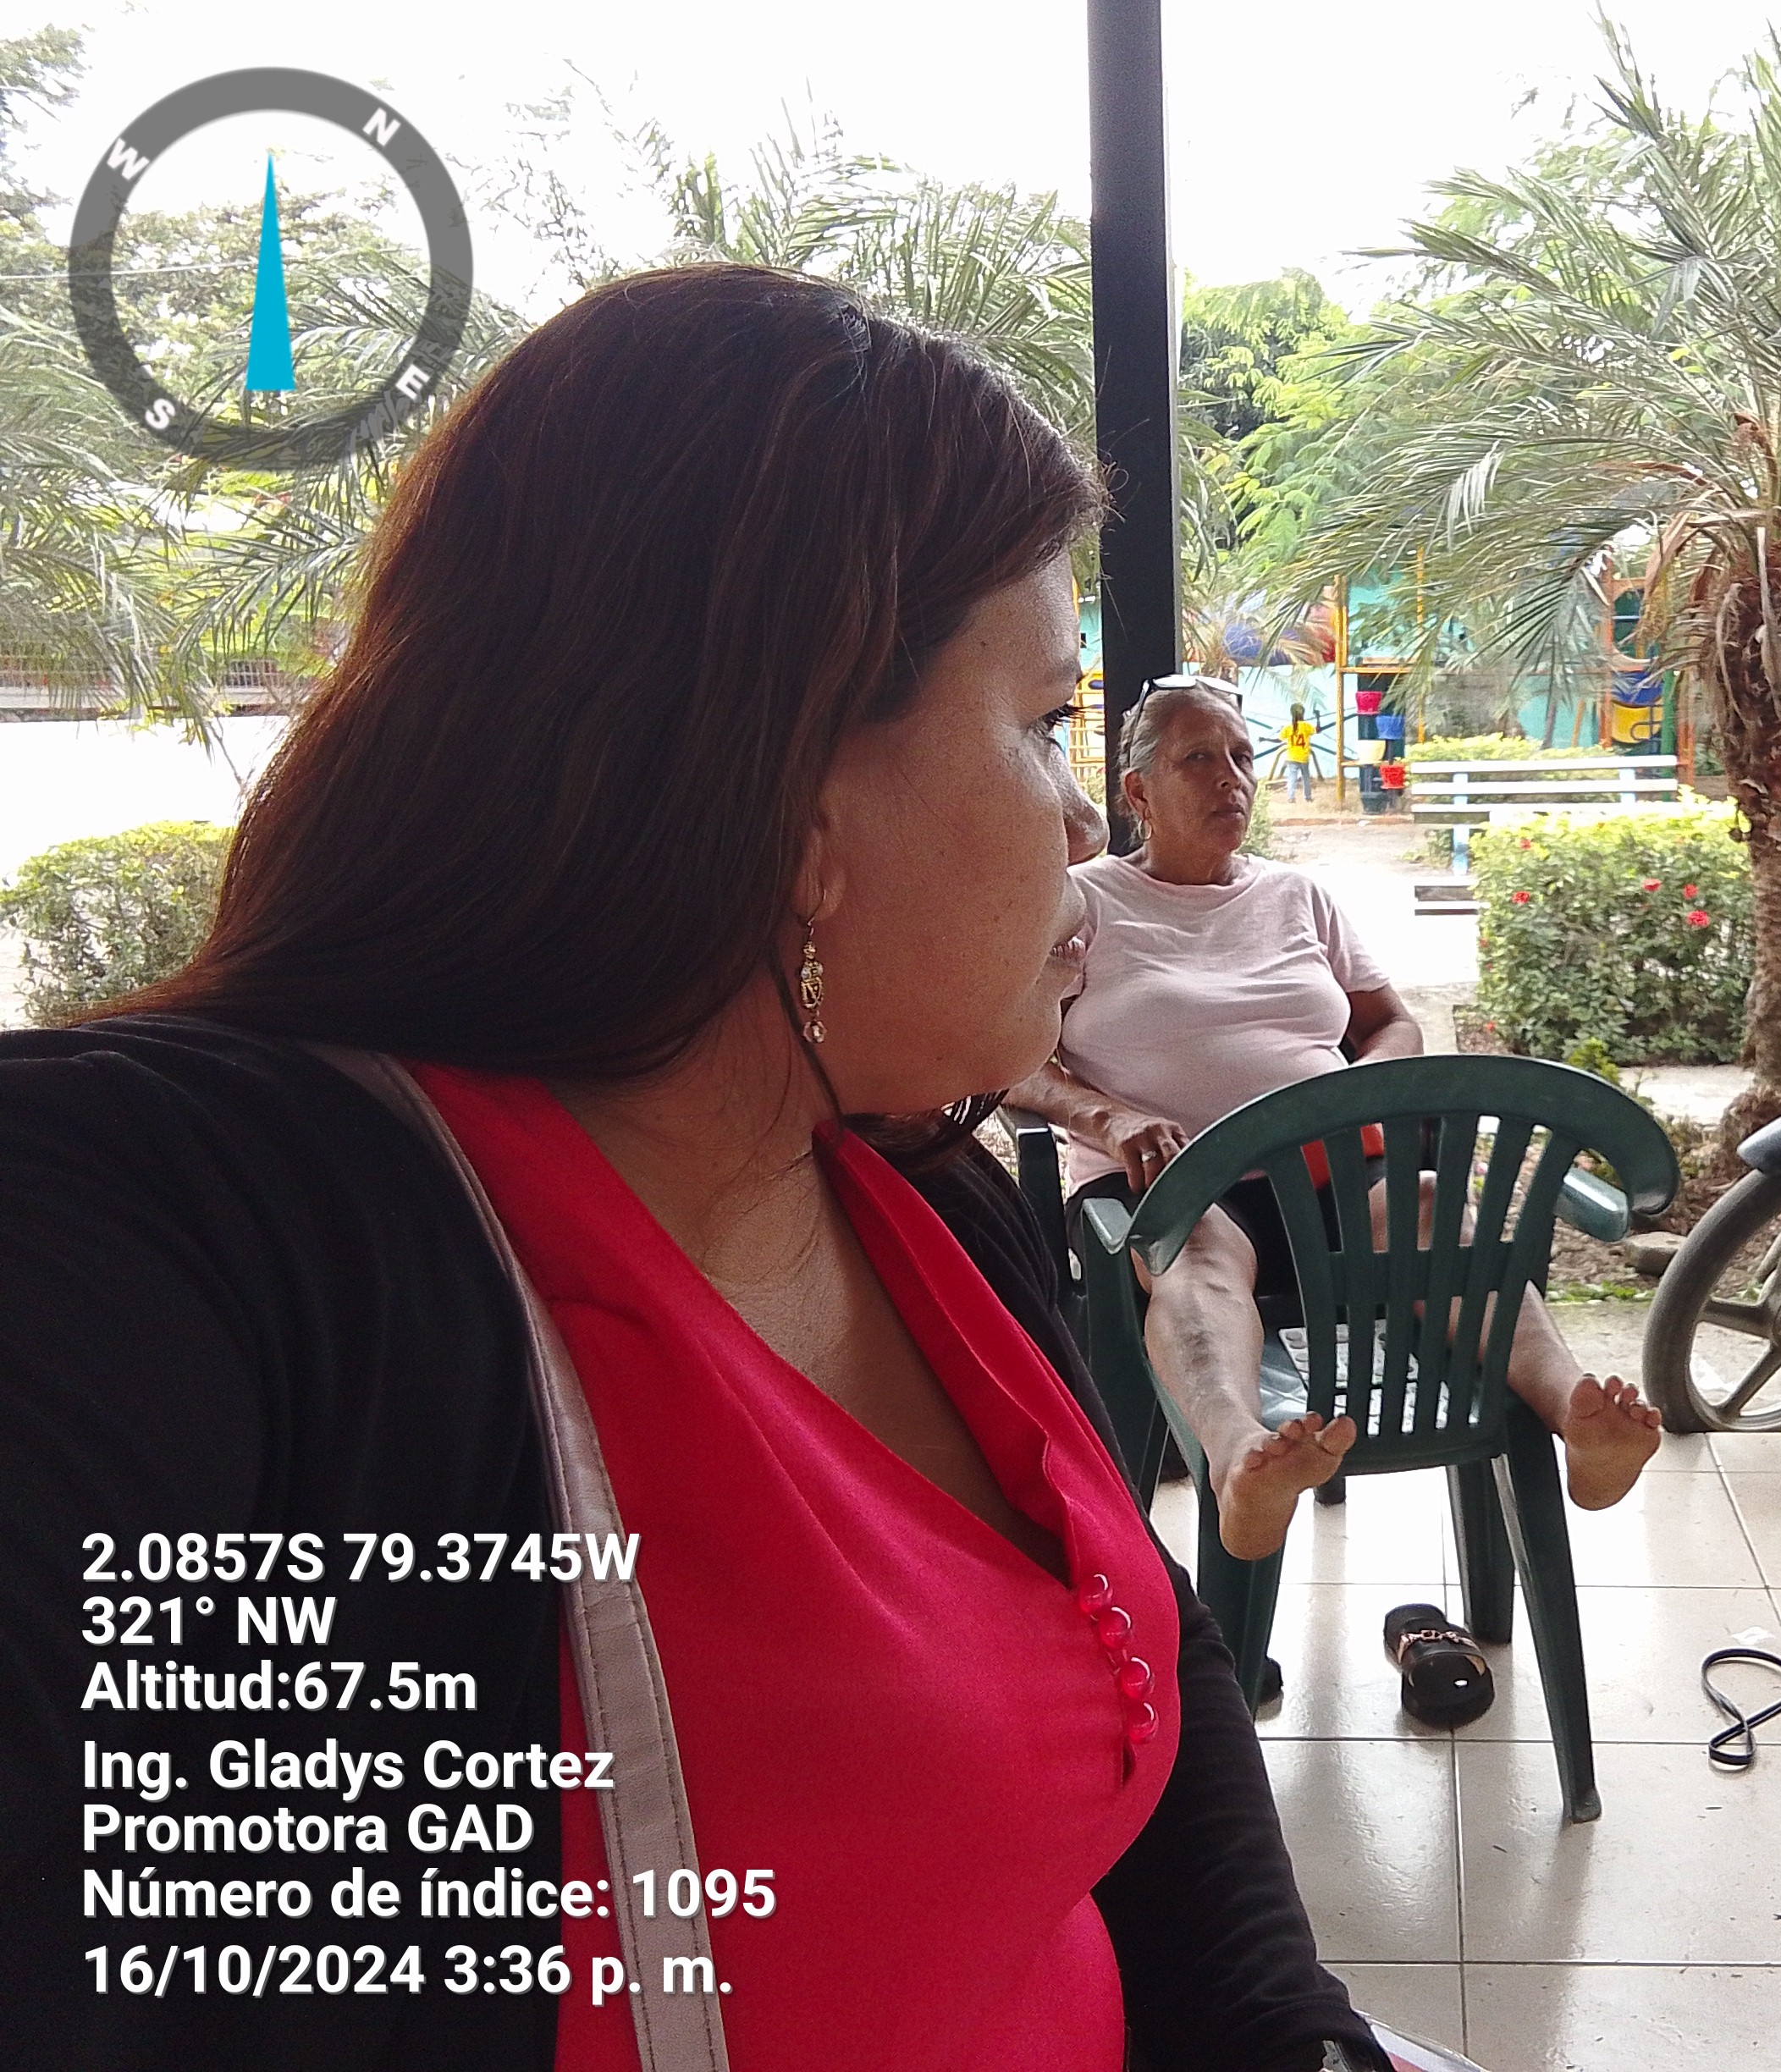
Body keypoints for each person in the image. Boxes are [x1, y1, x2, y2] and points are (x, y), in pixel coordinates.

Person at [0, 267, 1390, 2072]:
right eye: (1047, 723)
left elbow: (1146, 1654)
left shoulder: (921, 1196)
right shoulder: (188, 1237)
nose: (1077, 820)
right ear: (796, 793)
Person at [1008, 681, 1663, 1562]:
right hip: (1171, 1186)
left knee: (1428, 1204)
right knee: (1197, 1250)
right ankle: (1240, 1461)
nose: (1230, 778)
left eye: (1243, 756)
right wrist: (1109, 1116)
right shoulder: (1084, 904)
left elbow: (1391, 1022)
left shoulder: (1297, 895)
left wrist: (1362, 1095)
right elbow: (1009, 1057)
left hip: (1328, 1178)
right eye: (1198, 758)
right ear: (1138, 792)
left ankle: (1575, 1416)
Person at [1278, 701, 1318, 804]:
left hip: (1291, 757)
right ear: (1302, 713)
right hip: (1304, 757)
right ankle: (1308, 797)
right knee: (1306, 778)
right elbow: (1317, 730)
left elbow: (1279, 739)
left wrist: (1265, 739)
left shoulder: (1288, 727)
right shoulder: (1306, 726)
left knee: (1292, 778)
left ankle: (1291, 797)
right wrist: (1318, 718)